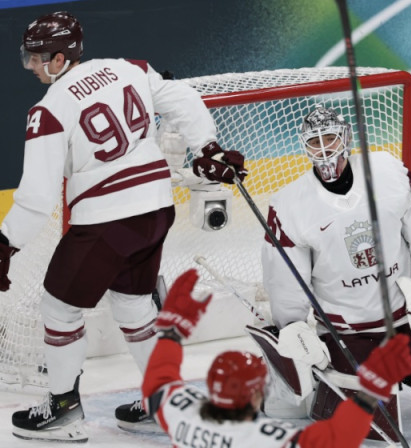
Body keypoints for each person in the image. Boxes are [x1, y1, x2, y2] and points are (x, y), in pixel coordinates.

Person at [4, 11, 247, 442]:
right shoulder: (128, 68)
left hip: (105, 220)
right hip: (155, 210)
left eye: (39, 58)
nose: (33, 66)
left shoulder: (49, 110)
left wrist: (6, 242)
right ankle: (161, 401)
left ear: (61, 59)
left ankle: (63, 410)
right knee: (134, 306)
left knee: (59, 308)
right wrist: (207, 146)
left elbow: (38, 197)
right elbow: (183, 99)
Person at [260, 105, 411, 439]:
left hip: (409, 319)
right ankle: (289, 384)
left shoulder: (387, 171)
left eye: (330, 138)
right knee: (365, 419)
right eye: (314, 142)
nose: (323, 149)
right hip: (349, 331)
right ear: (304, 146)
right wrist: (291, 324)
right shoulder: (290, 204)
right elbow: (285, 275)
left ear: (346, 137)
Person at [141, 268, 411, 448]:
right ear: (257, 393)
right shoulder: (264, 440)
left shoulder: (183, 414)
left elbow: (156, 384)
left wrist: (170, 334)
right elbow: (337, 439)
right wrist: (369, 391)